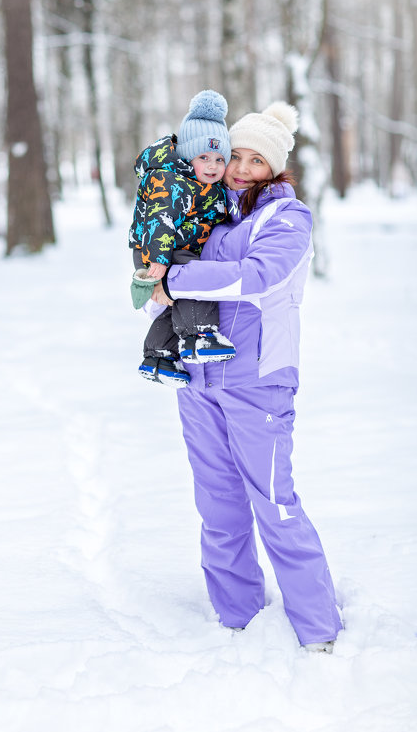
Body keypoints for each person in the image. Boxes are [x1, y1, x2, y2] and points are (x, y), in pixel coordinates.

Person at [152, 101, 343, 652]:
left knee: (274, 503)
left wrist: (179, 275)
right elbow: (162, 288)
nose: (239, 168)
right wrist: (155, 288)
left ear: (275, 168)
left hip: (258, 380)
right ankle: (236, 619)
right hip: (199, 377)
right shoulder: (206, 216)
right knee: (218, 504)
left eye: (255, 160)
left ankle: (318, 629)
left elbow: (257, 277)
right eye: (233, 155)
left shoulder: (287, 218)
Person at [128, 90, 236, 389]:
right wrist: (158, 264)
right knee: (195, 279)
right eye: (204, 157)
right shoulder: (170, 179)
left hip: (175, 248)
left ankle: (159, 356)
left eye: (219, 158)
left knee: (176, 300)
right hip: (158, 248)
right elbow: (159, 222)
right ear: (187, 155)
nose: (213, 165)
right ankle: (199, 336)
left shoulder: (207, 184)